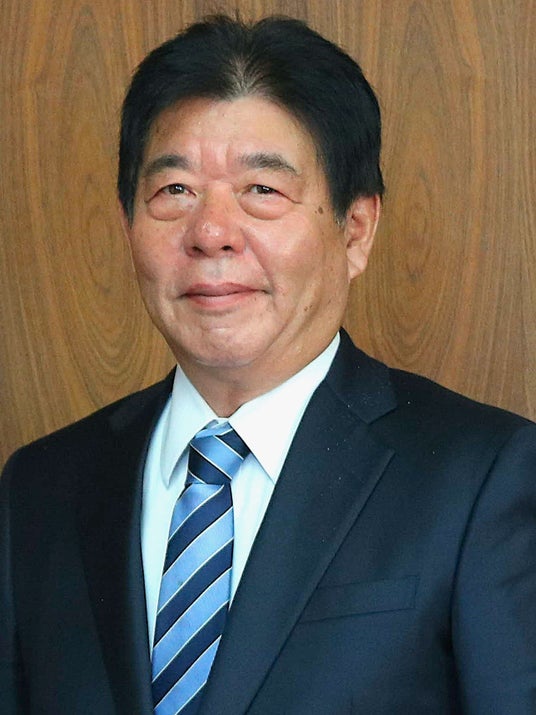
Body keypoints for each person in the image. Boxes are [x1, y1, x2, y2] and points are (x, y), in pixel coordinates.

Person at [1, 14, 535, 715]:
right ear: (128, 224)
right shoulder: (39, 489)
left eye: (263, 190)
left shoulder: (482, 477)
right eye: (174, 191)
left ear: (356, 230)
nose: (211, 232)